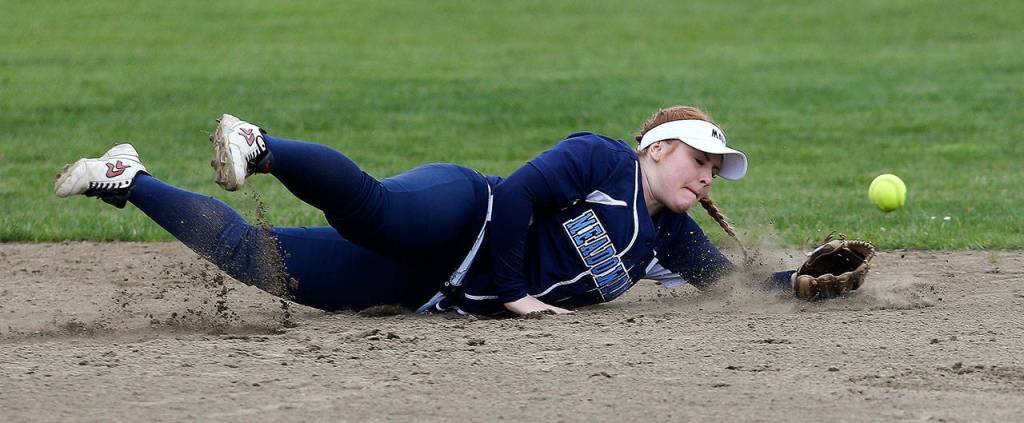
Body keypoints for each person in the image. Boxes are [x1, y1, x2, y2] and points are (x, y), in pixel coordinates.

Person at [55, 106, 793, 317]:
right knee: (379, 212)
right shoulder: (603, 160)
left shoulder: (666, 232)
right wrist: (514, 293)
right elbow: (514, 194)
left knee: (261, 262)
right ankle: (262, 144)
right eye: (698, 158)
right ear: (659, 147)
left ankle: (127, 177)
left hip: (430, 287)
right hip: (461, 215)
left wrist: (803, 281)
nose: (705, 175)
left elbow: (734, 285)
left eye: (714, 168)